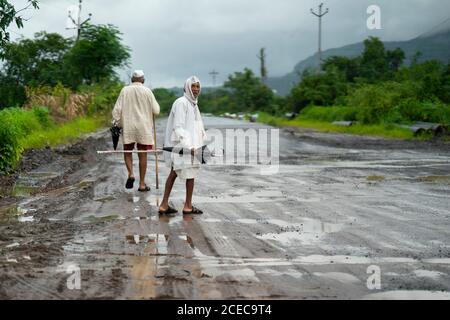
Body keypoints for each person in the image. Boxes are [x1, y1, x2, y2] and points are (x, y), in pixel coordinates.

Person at [158, 76, 206, 215]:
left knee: (188, 174)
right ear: (186, 88)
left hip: (192, 147)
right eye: (193, 86)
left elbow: (196, 126)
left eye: (197, 86)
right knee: (175, 173)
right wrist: (188, 146)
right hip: (182, 146)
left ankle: (184, 205)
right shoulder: (181, 103)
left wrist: (199, 142)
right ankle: (168, 205)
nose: (196, 89)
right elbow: (178, 127)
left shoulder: (193, 104)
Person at [112, 70, 160, 192]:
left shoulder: (125, 90)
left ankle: (131, 174)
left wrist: (116, 123)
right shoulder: (147, 91)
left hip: (128, 127)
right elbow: (156, 110)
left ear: (132, 80)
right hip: (143, 128)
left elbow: (116, 110)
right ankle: (142, 184)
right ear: (143, 80)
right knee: (142, 154)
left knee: (127, 152)